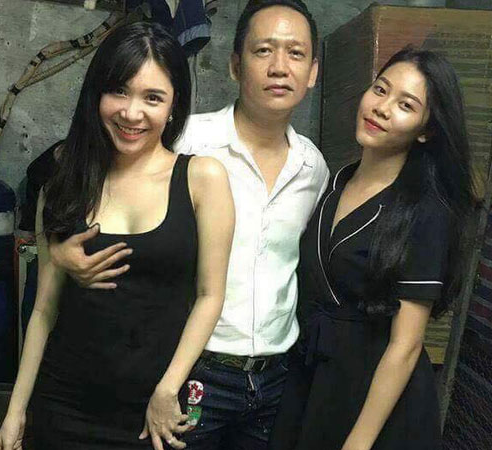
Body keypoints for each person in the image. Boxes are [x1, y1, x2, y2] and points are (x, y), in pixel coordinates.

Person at [49, 2, 329, 448]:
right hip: (193, 370)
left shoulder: (314, 167)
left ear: (312, 72)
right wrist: (57, 247)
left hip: (275, 377)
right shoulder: (184, 139)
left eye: (295, 53)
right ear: (235, 65)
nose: (279, 67)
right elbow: (85, 171)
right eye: (263, 50)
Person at [0, 21, 235, 450]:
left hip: (150, 414)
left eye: (152, 97)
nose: (131, 113)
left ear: (174, 105)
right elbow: (44, 310)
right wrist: (16, 411)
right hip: (62, 404)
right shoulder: (63, 183)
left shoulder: (203, 178)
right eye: (119, 91)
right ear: (96, 95)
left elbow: (209, 296)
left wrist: (168, 389)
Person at [269, 47, 474, 450]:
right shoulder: (337, 182)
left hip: (378, 402)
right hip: (316, 381)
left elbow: (406, 345)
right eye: (380, 89)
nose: (382, 108)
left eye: (405, 105)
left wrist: (359, 442)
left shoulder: (424, 210)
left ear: (425, 130)